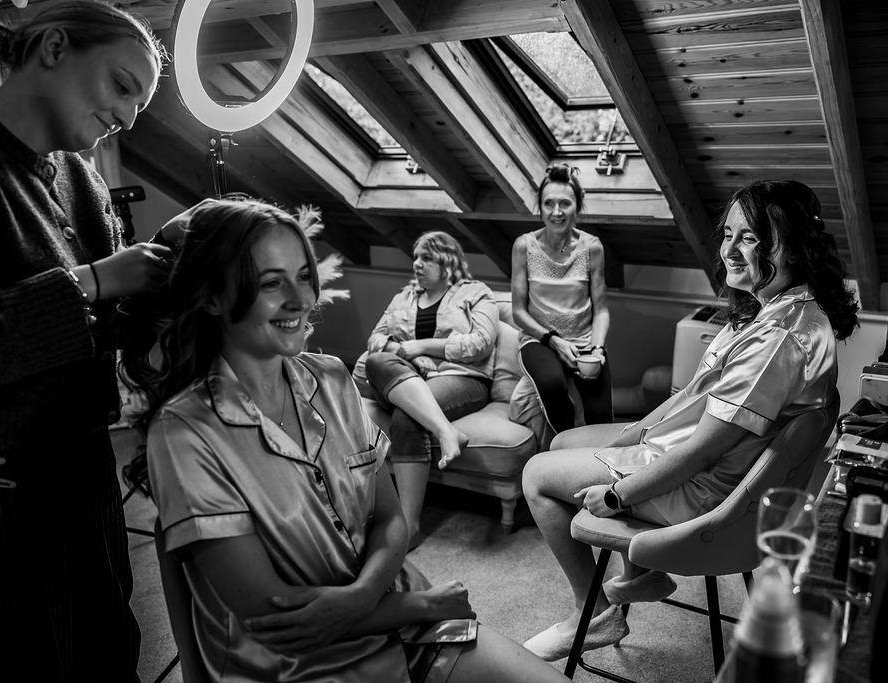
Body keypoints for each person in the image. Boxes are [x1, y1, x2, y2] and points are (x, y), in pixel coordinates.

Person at [121, 198, 568, 683]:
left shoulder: (332, 379)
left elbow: (392, 518)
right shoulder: (185, 432)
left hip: (409, 627)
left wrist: (377, 599)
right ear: (212, 298)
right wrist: (415, 603)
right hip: (302, 668)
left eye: (303, 275)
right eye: (272, 283)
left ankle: (438, 425)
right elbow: (279, 621)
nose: (300, 298)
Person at [520, 179, 859, 661]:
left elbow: (704, 450)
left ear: (796, 249)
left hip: (705, 492)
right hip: (695, 459)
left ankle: (592, 616)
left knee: (536, 473)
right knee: (562, 445)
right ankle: (639, 578)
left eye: (753, 238)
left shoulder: (778, 339)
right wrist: (628, 437)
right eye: (730, 234)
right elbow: (688, 399)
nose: (732, 250)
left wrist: (619, 495)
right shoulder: (769, 312)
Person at [0, 2, 166, 679]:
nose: (126, 118)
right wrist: (92, 282)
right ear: (56, 46)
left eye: (139, 108)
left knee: (104, 644)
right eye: (123, 85)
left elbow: (112, 326)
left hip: (81, 463)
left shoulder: (82, 181)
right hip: (5, 486)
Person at [359, 231, 497, 547]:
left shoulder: (475, 293)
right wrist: (408, 355)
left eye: (427, 258)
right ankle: (446, 431)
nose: (417, 264)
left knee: (408, 418)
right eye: (416, 258)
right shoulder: (403, 298)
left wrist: (418, 347)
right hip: (406, 378)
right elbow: (376, 339)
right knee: (377, 361)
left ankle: (408, 526)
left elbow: (480, 343)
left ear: (447, 261)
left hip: (461, 379)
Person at [511, 164, 611, 436]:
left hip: (584, 341)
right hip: (540, 340)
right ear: (540, 209)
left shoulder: (592, 247)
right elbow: (518, 312)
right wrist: (554, 340)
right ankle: (562, 452)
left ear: (577, 208)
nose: (556, 211)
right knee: (553, 385)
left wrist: (598, 349)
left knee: (600, 415)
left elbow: (601, 310)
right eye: (549, 204)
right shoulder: (524, 246)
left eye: (565, 203)